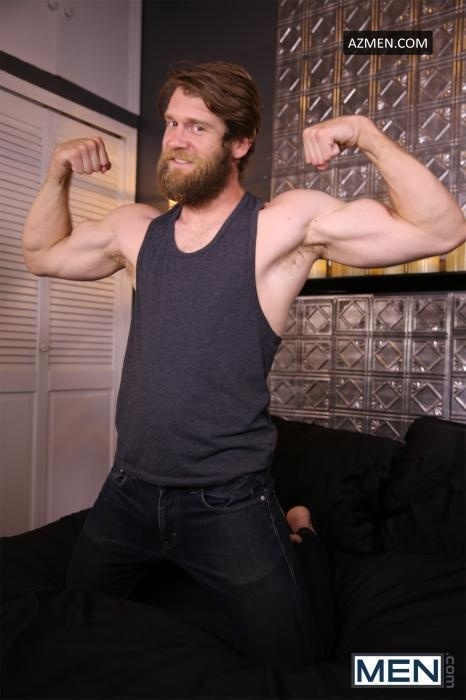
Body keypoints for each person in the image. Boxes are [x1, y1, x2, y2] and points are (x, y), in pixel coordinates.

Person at [22, 62, 465, 667]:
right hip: (128, 490)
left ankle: (301, 531)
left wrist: (366, 134)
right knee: (70, 626)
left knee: (297, 658)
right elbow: (43, 255)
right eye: (172, 123)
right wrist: (56, 173)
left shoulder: (281, 226)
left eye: (198, 127)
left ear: (239, 143)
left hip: (227, 501)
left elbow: (441, 229)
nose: (175, 139)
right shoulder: (136, 229)